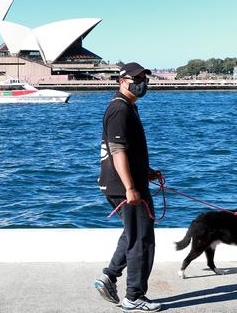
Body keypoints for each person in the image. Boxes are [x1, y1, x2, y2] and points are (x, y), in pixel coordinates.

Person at [94, 62, 162, 312]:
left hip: (128, 183)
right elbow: (117, 150)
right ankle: (134, 296)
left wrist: (146, 172)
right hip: (125, 188)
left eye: (145, 78)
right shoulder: (119, 109)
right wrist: (131, 187)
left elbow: (129, 151)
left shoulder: (129, 108)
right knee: (142, 241)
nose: (142, 83)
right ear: (122, 80)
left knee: (133, 234)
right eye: (137, 78)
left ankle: (109, 276)